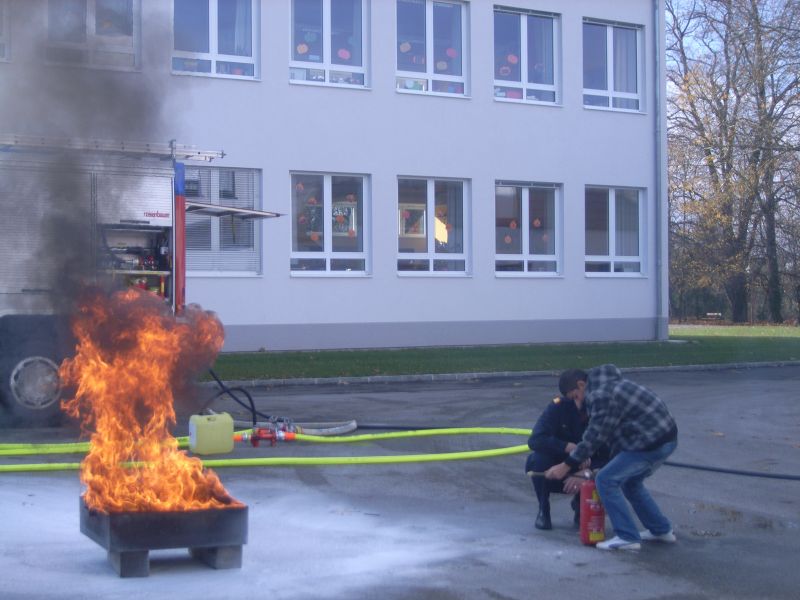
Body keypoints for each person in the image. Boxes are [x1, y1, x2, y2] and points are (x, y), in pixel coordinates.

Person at [545, 365, 678, 551]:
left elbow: (595, 436)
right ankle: (660, 530)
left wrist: (566, 465)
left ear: (581, 385)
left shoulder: (601, 395)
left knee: (606, 481)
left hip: (651, 443)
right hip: (662, 439)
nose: (577, 403)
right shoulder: (611, 386)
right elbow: (612, 438)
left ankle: (627, 536)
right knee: (630, 482)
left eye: (575, 396)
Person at [526, 394, 608, 530]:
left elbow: (612, 455)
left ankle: (581, 505)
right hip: (558, 464)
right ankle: (543, 509)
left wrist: (588, 472)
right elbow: (535, 440)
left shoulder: (603, 410)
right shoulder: (558, 407)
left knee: (609, 471)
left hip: (590, 467)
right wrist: (568, 447)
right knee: (537, 460)